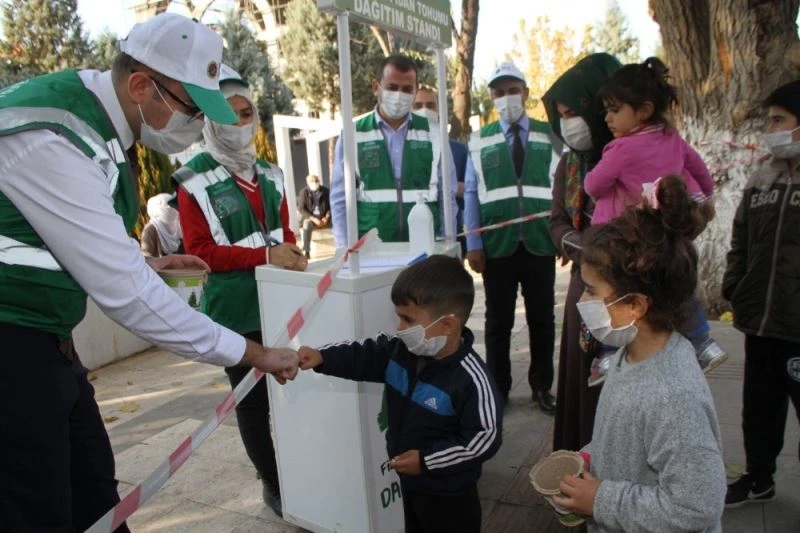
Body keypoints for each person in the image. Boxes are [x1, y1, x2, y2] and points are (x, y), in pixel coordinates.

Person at [0, 14, 298, 532]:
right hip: (12, 349)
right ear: (141, 85)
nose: (196, 126)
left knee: (95, 493)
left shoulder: (97, 126)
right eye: (189, 108)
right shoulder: (56, 137)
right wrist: (253, 353)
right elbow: (127, 297)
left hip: (44, 343)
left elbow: (65, 242)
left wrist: (146, 263)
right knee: (38, 508)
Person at [553, 175, 727, 532]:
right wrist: (589, 457)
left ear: (634, 305)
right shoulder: (629, 354)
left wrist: (601, 499)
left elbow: (698, 506)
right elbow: (626, 438)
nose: (582, 302)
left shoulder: (673, 396)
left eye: (590, 290)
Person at [174, 64, 305, 517]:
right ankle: (272, 482)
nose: (238, 123)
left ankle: (298, 470)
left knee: (290, 394)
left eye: (246, 113)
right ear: (209, 120)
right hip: (235, 310)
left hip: (279, 303)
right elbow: (200, 252)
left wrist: (291, 254)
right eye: (227, 115)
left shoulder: (272, 173)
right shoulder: (192, 178)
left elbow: (284, 235)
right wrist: (266, 257)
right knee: (252, 405)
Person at [296, 255, 501, 533]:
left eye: (407, 319)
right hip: (412, 483)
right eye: (398, 317)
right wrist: (322, 357)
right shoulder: (399, 351)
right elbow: (363, 355)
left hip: (450, 495)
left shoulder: (471, 379)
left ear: (448, 325)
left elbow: (483, 438)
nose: (399, 328)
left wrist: (427, 461)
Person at [584, 57, 727, 384]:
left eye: (614, 110)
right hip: (666, 234)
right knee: (676, 289)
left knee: (613, 292)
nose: (607, 118)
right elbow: (702, 173)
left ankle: (607, 355)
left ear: (644, 109)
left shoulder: (621, 148)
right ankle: (704, 343)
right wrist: (703, 200)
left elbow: (593, 185)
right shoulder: (672, 138)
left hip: (626, 240)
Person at [464, 62, 561, 413]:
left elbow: (563, 186)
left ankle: (542, 386)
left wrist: (563, 235)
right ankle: (498, 389)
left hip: (540, 242)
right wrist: (473, 243)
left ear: (526, 93)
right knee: (498, 321)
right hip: (497, 247)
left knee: (542, 320)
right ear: (491, 98)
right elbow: (472, 194)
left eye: (513, 90)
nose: (507, 98)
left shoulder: (550, 134)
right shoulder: (479, 140)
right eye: (499, 92)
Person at [722, 79, 800, 508]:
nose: (769, 128)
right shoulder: (761, 178)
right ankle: (759, 478)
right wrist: (735, 286)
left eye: (779, 120)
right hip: (760, 322)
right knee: (759, 409)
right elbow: (741, 242)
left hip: (797, 325)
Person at [542, 53, 621, 450]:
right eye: (561, 114)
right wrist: (585, 248)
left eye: (574, 111)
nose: (568, 123)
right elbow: (556, 223)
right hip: (584, 289)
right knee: (586, 383)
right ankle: (582, 476)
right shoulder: (569, 165)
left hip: (632, 291)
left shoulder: (634, 154)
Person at [330, 54, 457, 248]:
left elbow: (447, 195)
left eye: (407, 89)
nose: (399, 95)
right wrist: (343, 248)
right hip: (371, 250)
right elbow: (340, 199)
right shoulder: (353, 134)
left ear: (415, 91)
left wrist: (448, 243)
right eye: (392, 87)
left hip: (425, 246)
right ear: (376, 87)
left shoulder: (434, 133)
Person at [412, 86, 469, 257]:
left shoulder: (458, 150)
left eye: (430, 105)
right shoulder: (406, 149)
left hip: (451, 232)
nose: (424, 110)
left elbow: (474, 189)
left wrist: (455, 188)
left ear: (439, 108)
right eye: (418, 105)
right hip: (416, 231)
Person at [296, 174, 330, 258]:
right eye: (312, 181)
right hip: (310, 218)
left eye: (316, 181)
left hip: (325, 217)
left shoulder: (325, 191)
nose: (314, 183)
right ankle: (307, 251)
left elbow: (332, 206)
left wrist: (327, 217)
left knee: (339, 221)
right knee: (306, 225)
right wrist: (314, 219)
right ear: (308, 183)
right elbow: (301, 209)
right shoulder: (304, 192)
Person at [140, 192, 182, 257]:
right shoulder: (149, 231)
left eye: (172, 205)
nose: (171, 208)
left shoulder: (177, 224)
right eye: (168, 206)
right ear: (159, 210)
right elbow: (147, 258)